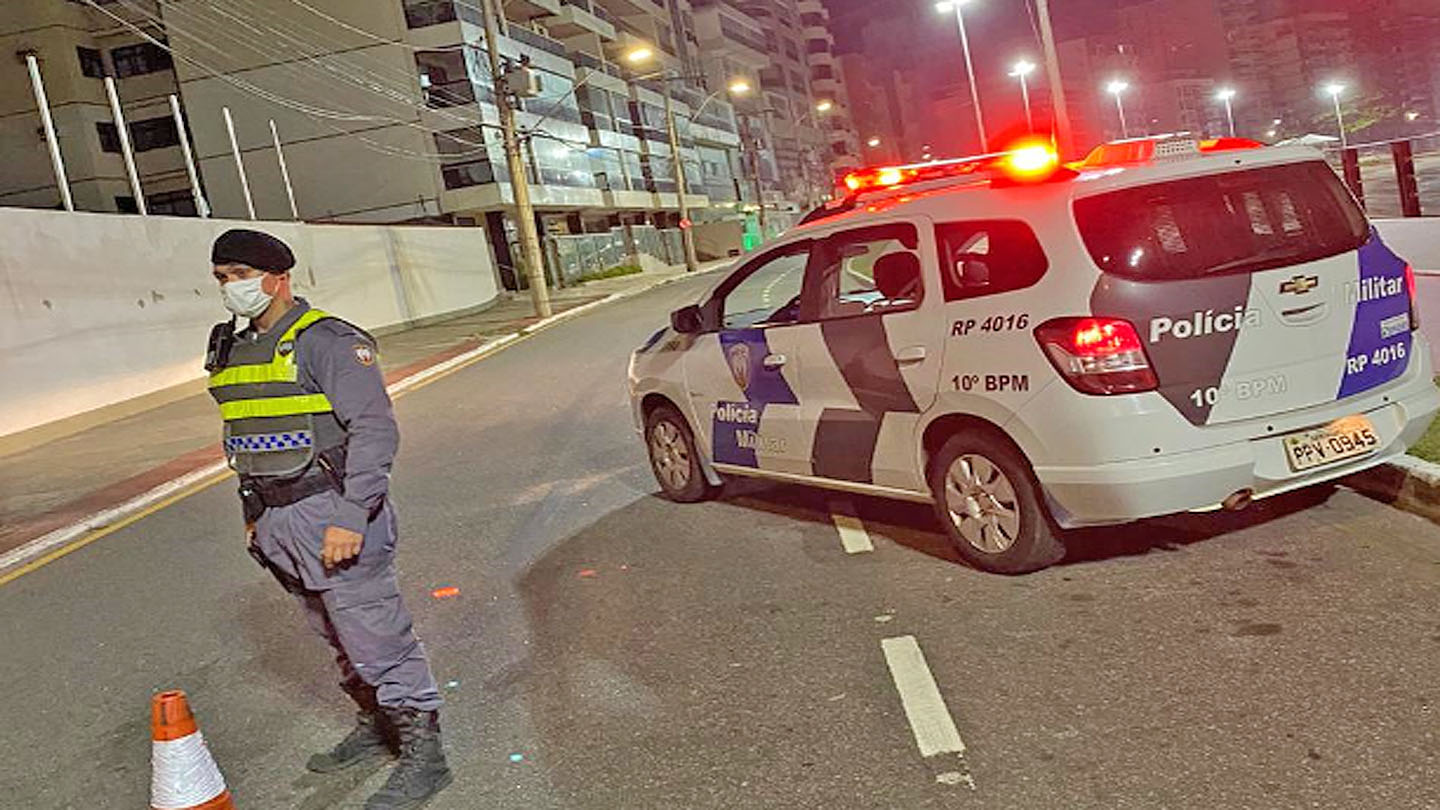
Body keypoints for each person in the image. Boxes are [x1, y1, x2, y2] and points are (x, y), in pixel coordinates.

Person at [204, 228, 451, 809]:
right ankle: (376, 725)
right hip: (275, 518)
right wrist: (253, 516)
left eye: (240, 275)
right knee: (336, 636)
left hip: (330, 510)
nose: (230, 288)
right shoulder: (231, 348)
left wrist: (352, 515)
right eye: (221, 278)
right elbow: (242, 436)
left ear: (278, 278)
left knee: (375, 633)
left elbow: (374, 430)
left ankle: (425, 754)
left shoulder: (327, 342)